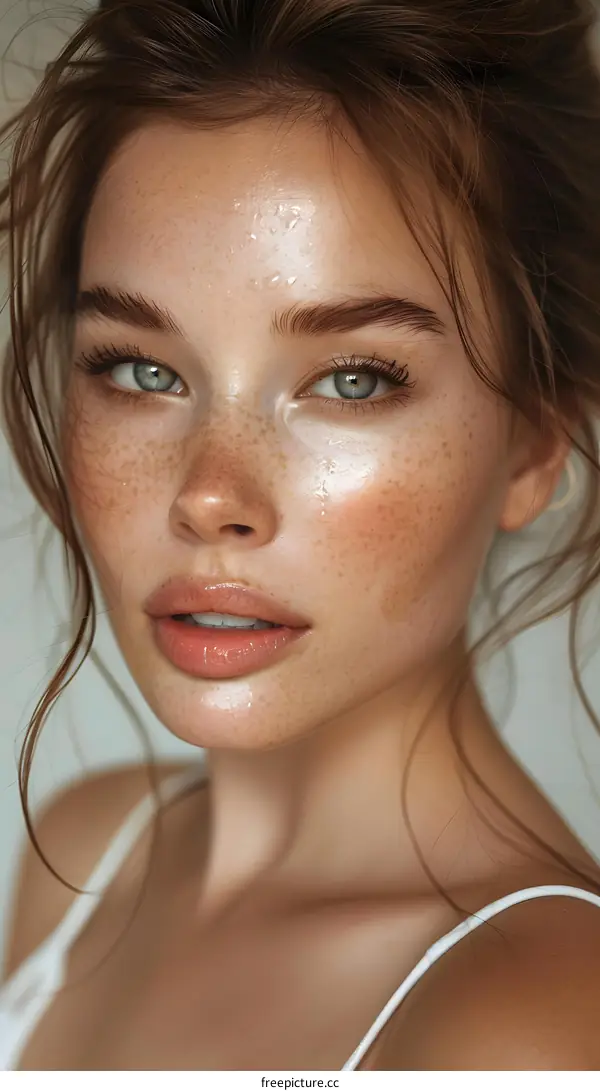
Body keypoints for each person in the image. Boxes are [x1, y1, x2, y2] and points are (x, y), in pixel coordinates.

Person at [1, 0, 600, 1072]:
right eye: (142, 369)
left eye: (352, 379)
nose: (210, 495)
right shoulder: (88, 855)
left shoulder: (537, 1017)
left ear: (532, 446)